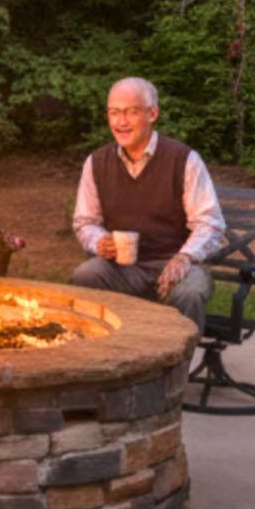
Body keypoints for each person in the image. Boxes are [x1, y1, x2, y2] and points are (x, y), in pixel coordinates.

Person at [68, 77, 223, 331]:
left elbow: (210, 223)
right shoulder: (96, 162)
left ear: (152, 113)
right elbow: (86, 222)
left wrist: (184, 257)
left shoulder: (183, 160)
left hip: (176, 263)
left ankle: (177, 368)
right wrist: (99, 241)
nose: (121, 122)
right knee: (86, 276)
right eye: (114, 113)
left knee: (190, 293)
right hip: (123, 268)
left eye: (131, 112)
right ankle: (101, 361)